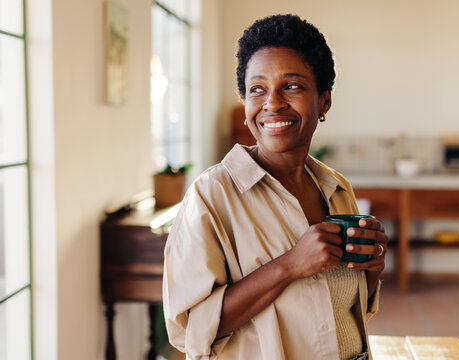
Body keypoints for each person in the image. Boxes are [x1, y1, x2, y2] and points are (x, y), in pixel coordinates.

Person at [163, 14, 388, 360]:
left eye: (292, 86)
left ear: (324, 100)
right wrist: (290, 265)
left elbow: (343, 308)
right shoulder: (211, 196)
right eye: (257, 89)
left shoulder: (337, 188)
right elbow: (192, 330)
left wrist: (371, 268)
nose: (272, 102)